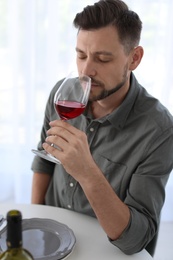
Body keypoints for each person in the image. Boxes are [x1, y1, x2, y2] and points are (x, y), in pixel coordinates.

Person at [31, 0, 173, 256]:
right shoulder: (63, 94)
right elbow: (44, 163)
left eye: (103, 58)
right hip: (51, 241)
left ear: (134, 58)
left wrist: (87, 172)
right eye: (81, 55)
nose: (86, 70)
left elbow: (135, 240)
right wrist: (36, 225)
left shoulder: (159, 130)